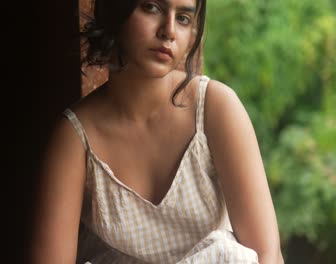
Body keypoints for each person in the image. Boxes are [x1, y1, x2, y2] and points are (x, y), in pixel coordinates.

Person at [30, 0, 284, 263]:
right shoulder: (75, 138)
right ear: (115, 10)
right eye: (152, 7)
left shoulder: (214, 108)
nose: (169, 31)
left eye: (183, 18)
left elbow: (267, 254)